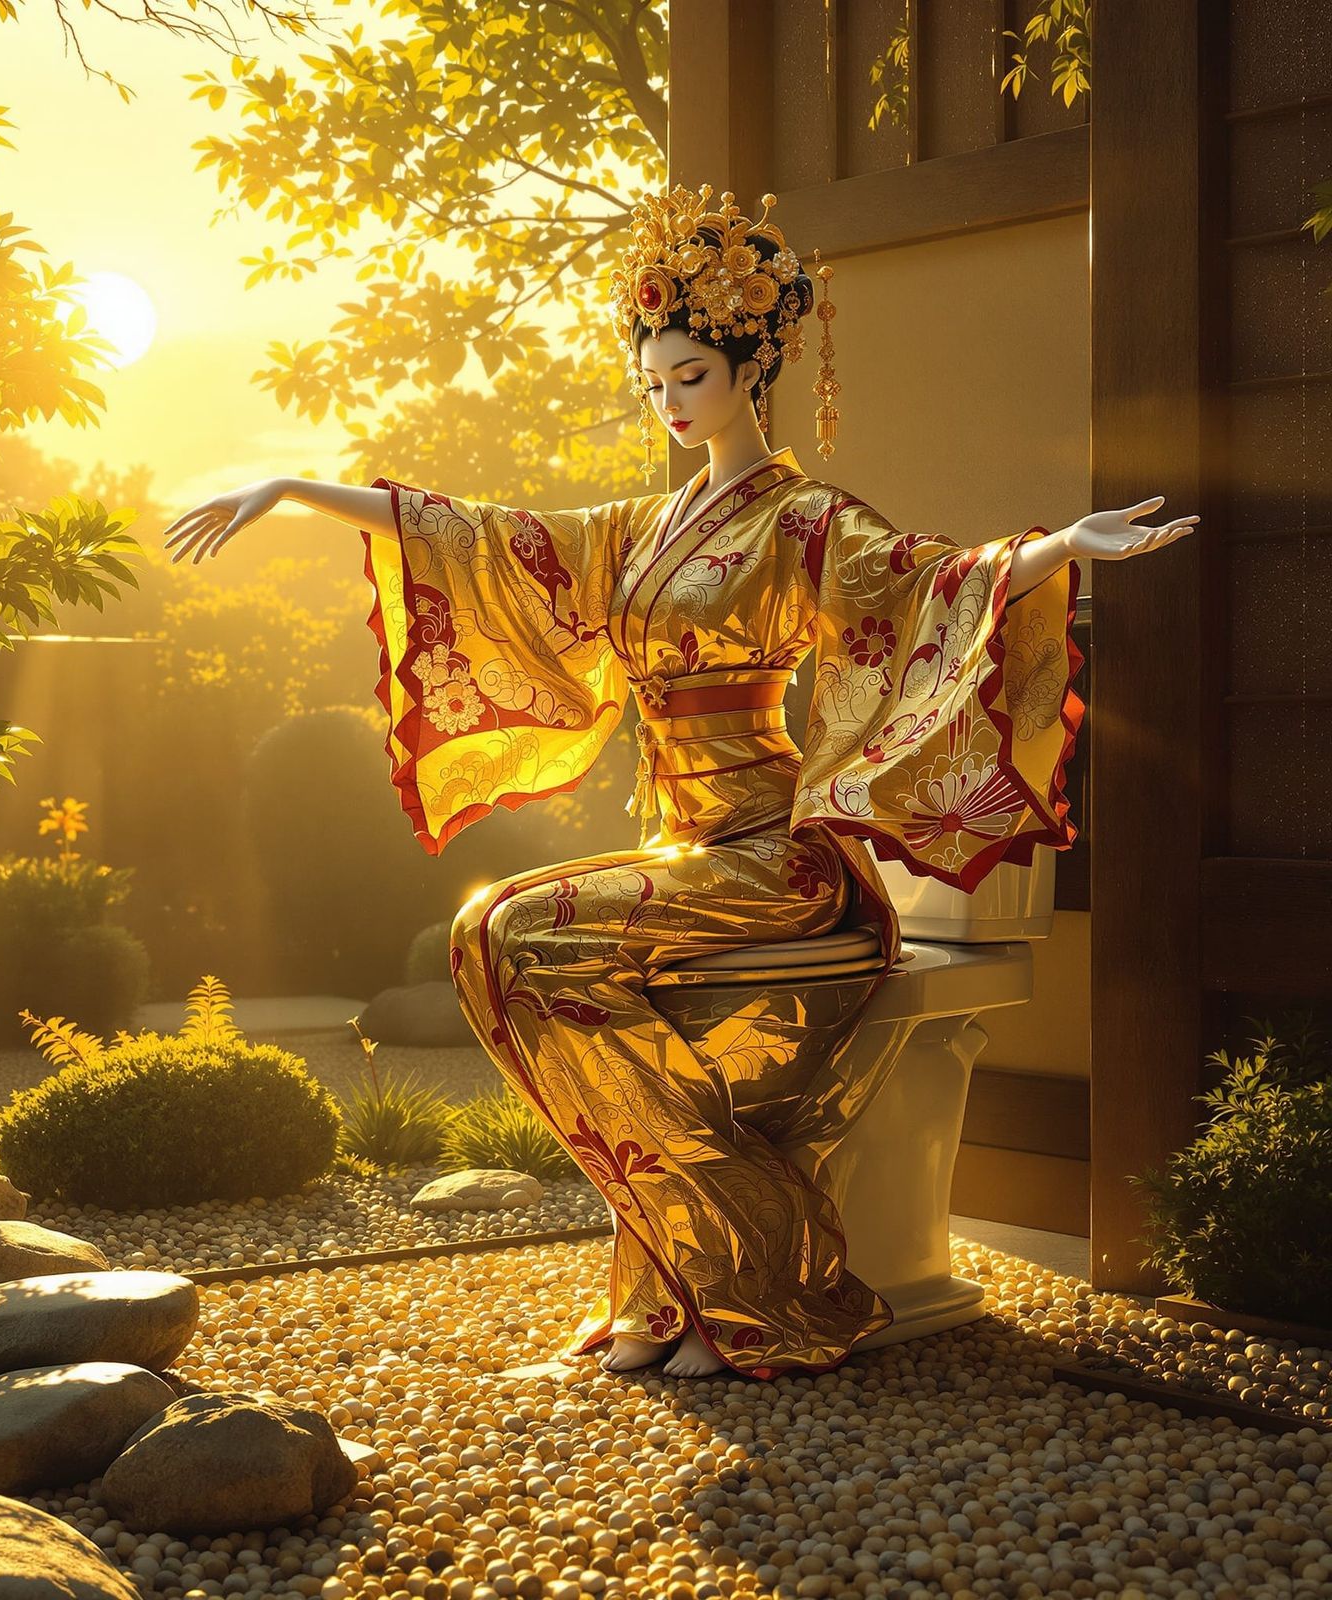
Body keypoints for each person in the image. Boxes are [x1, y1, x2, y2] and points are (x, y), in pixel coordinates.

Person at [162, 182, 1198, 1381]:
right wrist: (294, 486)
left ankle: (756, 1258)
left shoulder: (804, 519)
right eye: (653, 383)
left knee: (506, 932)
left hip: (781, 858)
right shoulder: (638, 529)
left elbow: (930, 579)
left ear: (751, 374)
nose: (667, 403)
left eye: (689, 378)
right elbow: (484, 533)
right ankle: (692, 1285)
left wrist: (1057, 548)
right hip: (682, 850)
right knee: (492, 938)